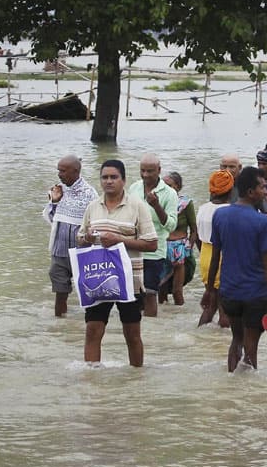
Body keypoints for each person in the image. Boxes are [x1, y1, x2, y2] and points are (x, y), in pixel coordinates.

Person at [204, 167, 267, 372]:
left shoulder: (220, 215)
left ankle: (232, 380)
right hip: (255, 293)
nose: (265, 191)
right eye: (261, 187)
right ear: (251, 192)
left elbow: (216, 256)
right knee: (252, 347)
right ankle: (248, 394)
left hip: (229, 292)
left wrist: (210, 289)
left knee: (236, 340)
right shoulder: (262, 221)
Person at [77, 160, 158, 366]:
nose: (109, 181)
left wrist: (120, 240)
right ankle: (92, 377)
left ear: (124, 180)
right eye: (105, 177)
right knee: (93, 330)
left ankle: (137, 377)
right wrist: (86, 237)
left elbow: (152, 244)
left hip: (129, 281)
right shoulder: (93, 206)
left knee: (131, 334)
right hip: (97, 279)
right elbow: (80, 239)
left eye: (114, 177)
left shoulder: (138, 206)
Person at [43, 155, 97, 317]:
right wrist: (54, 202)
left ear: (75, 171)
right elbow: (53, 220)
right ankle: (61, 326)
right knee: (60, 293)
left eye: (63, 171)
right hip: (59, 252)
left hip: (82, 253)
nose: (59, 174)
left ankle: (90, 322)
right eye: (58, 170)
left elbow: (94, 223)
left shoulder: (90, 194)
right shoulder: (60, 191)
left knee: (89, 294)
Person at [128, 154, 178, 317]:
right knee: (133, 295)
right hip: (133, 249)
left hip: (154, 252)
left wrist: (156, 206)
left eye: (150, 171)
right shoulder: (134, 188)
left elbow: (171, 225)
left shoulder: (169, 193)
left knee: (150, 293)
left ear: (159, 170)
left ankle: (151, 331)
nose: (146, 175)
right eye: (142, 171)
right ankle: (136, 327)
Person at [197, 170, 234, 326]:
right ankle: (222, 344)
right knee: (225, 308)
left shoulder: (203, 208)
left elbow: (198, 239)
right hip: (222, 258)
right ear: (231, 189)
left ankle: (202, 336)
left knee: (211, 304)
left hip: (205, 256)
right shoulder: (229, 212)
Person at [161, 172, 197, 306]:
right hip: (162, 248)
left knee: (177, 291)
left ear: (178, 187)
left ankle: (179, 318)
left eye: (169, 185)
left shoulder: (186, 204)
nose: (165, 189)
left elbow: (194, 229)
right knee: (161, 290)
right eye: (162, 185)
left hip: (179, 249)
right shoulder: (157, 203)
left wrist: (189, 247)